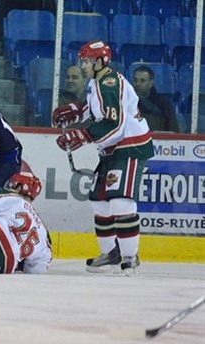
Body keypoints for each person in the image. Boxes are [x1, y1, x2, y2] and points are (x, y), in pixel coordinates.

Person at [51, 41, 154, 276]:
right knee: (99, 200)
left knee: (120, 201)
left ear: (99, 61)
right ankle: (111, 254)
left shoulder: (109, 83)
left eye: (86, 61)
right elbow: (98, 108)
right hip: (111, 149)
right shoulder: (97, 83)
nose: (83, 65)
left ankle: (130, 257)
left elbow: (114, 125)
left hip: (129, 147)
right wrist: (77, 111)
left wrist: (82, 135)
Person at [132, 66, 179, 132]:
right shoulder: (127, 101)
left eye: (142, 81)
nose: (137, 84)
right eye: (135, 80)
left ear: (151, 83)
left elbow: (174, 130)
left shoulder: (163, 104)